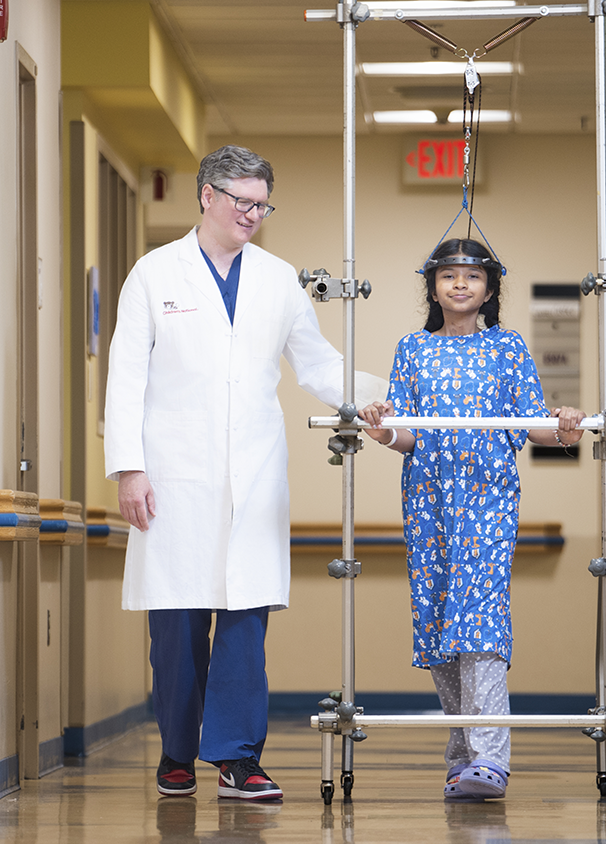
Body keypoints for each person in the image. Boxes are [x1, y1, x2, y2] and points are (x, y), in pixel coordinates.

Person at [104, 145, 386, 801]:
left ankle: (237, 759)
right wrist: (129, 468)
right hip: (171, 475)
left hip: (253, 474)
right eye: (242, 202)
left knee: (243, 623)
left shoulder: (278, 279)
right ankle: (177, 751)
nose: (253, 214)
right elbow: (126, 378)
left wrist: (373, 397)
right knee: (175, 626)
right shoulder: (154, 274)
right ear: (206, 195)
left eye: (262, 204)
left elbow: (317, 365)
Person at [358, 237, 586, 801]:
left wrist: (565, 423)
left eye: (473, 276)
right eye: (449, 276)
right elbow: (406, 433)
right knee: (440, 622)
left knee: (478, 618)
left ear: (490, 289)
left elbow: (532, 422)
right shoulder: (411, 350)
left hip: (486, 499)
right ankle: (462, 755)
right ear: (432, 286)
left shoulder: (507, 348)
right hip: (428, 499)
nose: (460, 285)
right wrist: (381, 428)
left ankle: (490, 756)